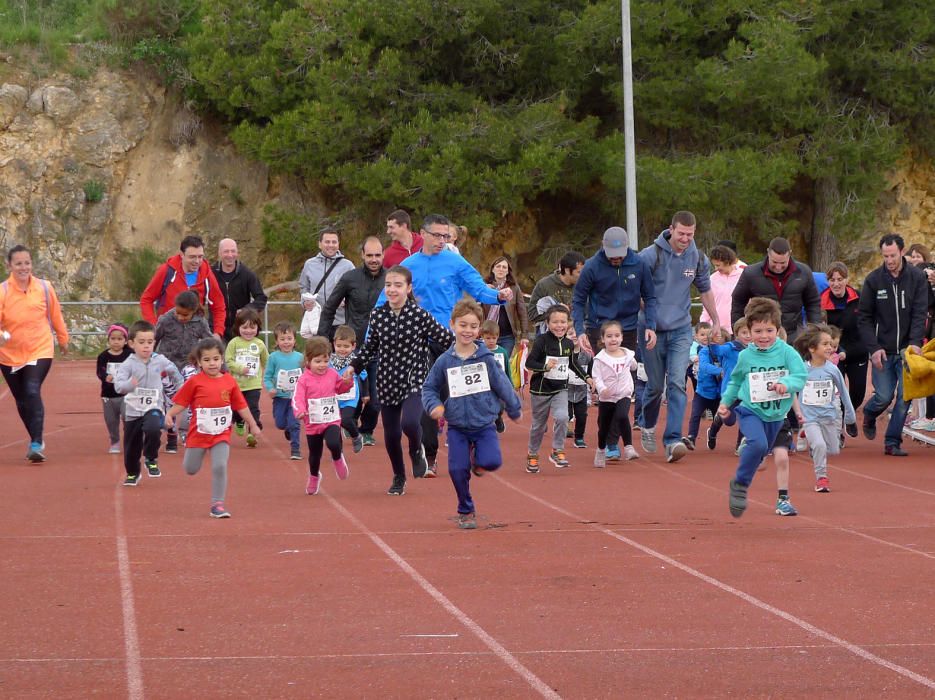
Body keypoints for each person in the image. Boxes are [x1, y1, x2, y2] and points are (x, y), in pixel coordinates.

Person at [377, 214, 510, 475]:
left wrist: (498, 296)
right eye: (437, 235)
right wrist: (374, 333)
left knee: (463, 395)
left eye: (446, 236)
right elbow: (387, 297)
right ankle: (430, 455)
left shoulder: (454, 261)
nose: (442, 241)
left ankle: (474, 447)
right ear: (422, 234)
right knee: (429, 395)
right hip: (422, 339)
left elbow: (477, 287)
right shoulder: (409, 264)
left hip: (452, 338)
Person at [347, 266, 455, 495]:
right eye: (388, 285)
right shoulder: (378, 315)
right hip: (387, 381)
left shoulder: (419, 315)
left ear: (408, 288)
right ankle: (399, 476)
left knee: (409, 424)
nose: (392, 290)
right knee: (392, 434)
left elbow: (445, 338)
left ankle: (417, 451)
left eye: (398, 285)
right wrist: (353, 366)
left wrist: (469, 348)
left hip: (414, 380)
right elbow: (370, 348)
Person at [422, 300, 522, 529]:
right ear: (452, 325)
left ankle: (477, 460)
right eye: (463, 325)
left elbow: (503, 384)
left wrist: (514, 408)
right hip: (457, 425)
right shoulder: (445, 361)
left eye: (473, 326)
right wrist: (433, 406)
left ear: (479, 329)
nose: (467, 330)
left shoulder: (486, 359)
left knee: (492, 461)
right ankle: (465, 509)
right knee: (457, 470)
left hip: (484, 423)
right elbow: (429, 388)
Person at [638, 211, 721, 463]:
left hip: (681, 329)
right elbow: (636, 293)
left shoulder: (697, 258)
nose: (685, 238)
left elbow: (705, 290)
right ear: (671, 230)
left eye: (690, 234)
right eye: (681, 233)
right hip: (651, 330)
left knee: (676, 382)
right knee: (654, 386)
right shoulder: (649, 256)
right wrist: (650, 319)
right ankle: (647, 423)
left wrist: (715, 320)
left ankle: (673, 440)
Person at [719, 298, 808, 518]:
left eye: (769, 330)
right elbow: (736, 381)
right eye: (758, 331)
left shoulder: (787, 353)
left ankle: (746, 471)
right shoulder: (746, 355)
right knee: (758, 445)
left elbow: (800, 376)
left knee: (764, 448)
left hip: (777, 414)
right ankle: (740, 484)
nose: (764, 336)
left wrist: (786, 384)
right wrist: (725, 402)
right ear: (749, 331)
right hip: (751, 410)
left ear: (778, 330)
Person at [166, 337, 260, 518]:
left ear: (222, 359)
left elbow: (241, 406)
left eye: (216, 359)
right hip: (199, 434)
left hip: (221, 433)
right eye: (207, 360)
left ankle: (218, 504)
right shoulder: (194, 382)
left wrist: (253, 424)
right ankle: (195, 460)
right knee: (190, 469)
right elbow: (182, 402)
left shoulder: (229, 381)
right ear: (199, 362)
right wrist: (170, 414)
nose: (212, 363)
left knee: (219, 466)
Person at [857, 234, 929, 456]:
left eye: (893, 255)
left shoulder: (917, 278)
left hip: (908, 350)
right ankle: (870, 414)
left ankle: (892, 441)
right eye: (885, 256)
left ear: (902, 251)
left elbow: (920, 313)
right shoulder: (873, 280)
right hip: (883, 350)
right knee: (884, 396)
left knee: (905, 397)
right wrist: (874, 348)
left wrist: (915, 343)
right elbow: (864, 318)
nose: (889, 260)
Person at [0, 245, 70, 462]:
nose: (24, 267)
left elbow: (55, 315)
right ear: (9, 265)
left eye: (27, 263)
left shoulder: (44, 287)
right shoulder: (2, 291)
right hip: (9, 354)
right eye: (19, 263)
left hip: (39, 349)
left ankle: (37, 442)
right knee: (21, 400)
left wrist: (63, 339)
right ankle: (34, 438)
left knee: (32, 390)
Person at [317, 236, 386, 446]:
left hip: (380, 348)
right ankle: (351, 422)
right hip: (351, 350)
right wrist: (322, 341)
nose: (374, 259)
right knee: (348, 391)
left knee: (375, 400)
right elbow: (329, 309)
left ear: (383, 255)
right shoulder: (350, 278)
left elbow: (409, 308)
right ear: (362, 255)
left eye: (378, 255)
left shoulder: (392, 279)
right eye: (370, 255)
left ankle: (366, 430)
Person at [524, 304, 593, 473]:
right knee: (538, 426)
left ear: (568, 323)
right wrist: (545, 367)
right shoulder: (541, 341)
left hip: (561, 388)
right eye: (555, 322)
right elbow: (529, 363)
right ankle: (532, 454)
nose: (559, 325)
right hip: (541, 390)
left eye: (563, 322)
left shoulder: (569, 343)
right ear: (547, 323)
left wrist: (587, 378)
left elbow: (572, 364)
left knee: (563, 416)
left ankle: (557, 449)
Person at [114, 320, 183, 485]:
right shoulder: (128, 364)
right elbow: (118, 387)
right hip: (132, 410)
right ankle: (133, 472)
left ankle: (151, 457)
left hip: (153, 406)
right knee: (131, 446)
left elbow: (174, 371)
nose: (146, 346)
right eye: (142, 342)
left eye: (150, 342)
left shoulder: (160, 360)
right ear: (132, 343)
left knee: (153, 428)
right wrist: (130, 385)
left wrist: (181, 387)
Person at [792, 324, 858, 493]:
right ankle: (822, 478)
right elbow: (792, 389)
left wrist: (850, 418)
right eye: (826, 344)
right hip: (809, 417)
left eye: (831, 344)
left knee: (833, 449)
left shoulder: (832, 370)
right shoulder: (802, 369)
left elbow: (844, 393)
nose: (830, 348)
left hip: (829, 415)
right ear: (812, 348)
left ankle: (810, 440)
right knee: (820, 446)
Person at [573, 227, 657, 357]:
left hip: (628, 328)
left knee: (627, 372)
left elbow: (650, 297)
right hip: (599, 327)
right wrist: (580, 331)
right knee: (603, 372)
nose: (616, 258)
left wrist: (651, 325)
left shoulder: (639, 264)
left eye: (620, 253)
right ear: (603, 246)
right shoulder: (591, 266)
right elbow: (578, 300)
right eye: (611, 254)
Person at [292, 336, 355, 495]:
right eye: (318, 361)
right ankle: (314, 476)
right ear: (308, 361)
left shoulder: (332, 374)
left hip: (331, 420)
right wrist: (299, 410)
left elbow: (341, 388)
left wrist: (347, 382)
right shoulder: (303, 380)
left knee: (334, 442)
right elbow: (297, 398)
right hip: (312, 423)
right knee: (315, 455)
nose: (322, 365)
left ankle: (337, 458)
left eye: (325, 361)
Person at [730, 236, 821, 342]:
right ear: (768, 253)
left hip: (793, 335)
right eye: (774, 262)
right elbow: (738, 301)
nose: (778, 267)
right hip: (762, 337)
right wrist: (738, 330)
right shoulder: (750, 273)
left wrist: (814, 331)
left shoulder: (804, 272)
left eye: (783, 263)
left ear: (790, 254)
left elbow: (813, 302)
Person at [140, 235, 227, 337]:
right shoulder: (166, 271)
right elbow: (146, 300)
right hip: (168, 334)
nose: (197, 261)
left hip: (194, 335)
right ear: (182, 254)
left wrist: (218, 332)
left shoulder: (207, 275)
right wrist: (154, 326)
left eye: (200, 256)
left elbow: (219, 305)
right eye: (192, 257)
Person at [591, 320, 639, 467]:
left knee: (622, 416)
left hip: (624, 393)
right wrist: (601, 388)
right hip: (606, 397)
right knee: (604, 427)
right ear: (603, 339)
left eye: (617, 336)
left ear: (622, 338)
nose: (613, 339)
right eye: (609, 336)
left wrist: (634, 364)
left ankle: (628, 447)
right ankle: (600, 450)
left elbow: (633, 366)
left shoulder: (627, 355)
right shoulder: (599, 359)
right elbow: (596, 377)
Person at [298, 229, 355, 338]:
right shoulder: (309, 264)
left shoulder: (348, 266)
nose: (331, 245)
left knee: (340, 355)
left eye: (334, 242)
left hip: (341, 323)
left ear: (338, 244)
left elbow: (356, 291)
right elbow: (303, 287)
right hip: (316, 323)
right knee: (318, 355)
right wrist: (304, 302)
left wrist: (347, 301)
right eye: (327, 242)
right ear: (320, 244)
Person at [224, 308, 269, 447]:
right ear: (238, 327)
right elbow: (228, 361)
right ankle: (239, 420)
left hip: (253, 384)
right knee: (236, 409)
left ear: (257, 328)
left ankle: (251, 433)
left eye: (252, 327)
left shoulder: (260, 344)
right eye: (244, 327)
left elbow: (266, 361)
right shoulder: (234, 343)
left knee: (253, 408)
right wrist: (240, 368)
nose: (248, 331)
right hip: (236, 384)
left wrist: (269, 376)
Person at [706, 319, 751, 451]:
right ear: (736, 334)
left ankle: (739, 446)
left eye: (750, 332)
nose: (748, 336)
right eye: (744, 332)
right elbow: (717, 351)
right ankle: (713, 431)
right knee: (729, 421)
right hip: (730, 390)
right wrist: (713, 341)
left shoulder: (755, 350)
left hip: (747, 391)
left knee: (745, 416)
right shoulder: (730, 347)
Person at [211, 238, 267, 341]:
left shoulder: (247, 274)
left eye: (233, 251)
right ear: (219, 253)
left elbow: (261, 298)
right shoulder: (211, 273)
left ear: (237, 252)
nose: (230, 255)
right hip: (216, 329)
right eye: (226, 251)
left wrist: (247, 309)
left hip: (242, 329)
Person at [263, 321, 304, 460]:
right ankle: (287, 428)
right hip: (280, 397)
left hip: (295, 398)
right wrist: (271, 388)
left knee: (295, 423)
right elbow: (267, 377)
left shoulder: (300, 357)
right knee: (280, 423)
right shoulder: (273, 357)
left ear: (294, 339)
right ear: (277, 341)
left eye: (289, 339)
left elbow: (306, 377)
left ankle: (295, 449)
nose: (286, 342)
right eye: (282, 339)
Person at [482, 255, 530, 359]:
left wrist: (524, 335)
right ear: (493, 269)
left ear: (508, 271)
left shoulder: (514, 288)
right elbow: (474, 305)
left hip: (507, 336)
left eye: (504, 267)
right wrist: (484, 290)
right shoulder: (484, 285)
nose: (501, 269)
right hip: (486, 334)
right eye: (498, 266)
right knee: (487, 363)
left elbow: (522, 312)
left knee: (502, 364)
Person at [329, 325, 368, 454]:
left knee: (345, 420)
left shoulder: (356, 362)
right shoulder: (329, 361)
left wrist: (366, 394)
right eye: (339, 346)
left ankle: (356, 436)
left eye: (346, 346)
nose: (342, 349)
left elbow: (364, 377)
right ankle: (338, 452)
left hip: (349, 398)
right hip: (333, 398)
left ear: (353, 346)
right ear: (334, 344)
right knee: (334, 425)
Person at [528, 251, 586, 334]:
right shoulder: (544, 285)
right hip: (547, 338)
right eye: (579, 272)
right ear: (566, 270)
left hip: (575, 337)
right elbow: (532, 314)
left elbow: (587, 314)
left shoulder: (584, 286)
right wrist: (555, 311)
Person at [96, 324, 131, 454]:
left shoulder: (130, 354)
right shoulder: (103, 356)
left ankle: (130, 441)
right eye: (113, 339)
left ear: (126, 341)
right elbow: (99, 371)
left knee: (128, 418)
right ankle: (114, 441)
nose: (116, 342)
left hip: (126, 394)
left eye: (120, 339)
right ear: (108, 340)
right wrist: (106, 376)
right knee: (111, 421)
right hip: (108, 395)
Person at [686, 324, 721, 449]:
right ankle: (691, 437)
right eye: (702, 334)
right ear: (696, 336)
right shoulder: (701, 349)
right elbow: (703, 365)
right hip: (702, 391)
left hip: (717, 394)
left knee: (718, 419)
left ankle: (712, 434)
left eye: (708, 334)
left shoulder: (720, 350)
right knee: (695, 415)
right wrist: (720, 371)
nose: (706, 337)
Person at [701, 245, 743, 336]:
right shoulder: (712, 279)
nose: (716, 269)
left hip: (738, 329)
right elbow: (707, 305)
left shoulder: (744, 276)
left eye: (718, 265)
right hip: (717, 330)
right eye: (714, 265)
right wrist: (702, 324)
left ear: (727, 262)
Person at [479, 320, 511, 433]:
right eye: (488, 338)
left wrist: (510, 385)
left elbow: (507, 369)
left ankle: (498, 418)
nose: (491, 341)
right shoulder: (478, 351)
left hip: (499, 386)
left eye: (494, 338)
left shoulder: (502, 352)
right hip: (483, 386)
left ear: (498, 337)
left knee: (500, 406)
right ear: (482, 337)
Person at [565, 327, 592, 449]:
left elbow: (591, 373)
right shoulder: (563, 354)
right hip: (565, 390)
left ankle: (579, 437)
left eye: (577, 333)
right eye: (571, 334)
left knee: (581, 415)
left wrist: (592, 386)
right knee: (567, 415)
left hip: (581, 391)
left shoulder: (587, 356)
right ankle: (563, 427)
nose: (574, 336)